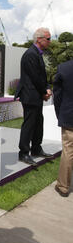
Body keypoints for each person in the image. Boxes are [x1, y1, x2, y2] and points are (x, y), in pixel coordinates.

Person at [15, 28, 53, 166]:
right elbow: (35, 77)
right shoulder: (30, 54)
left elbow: (41, 75)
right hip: (30, 95)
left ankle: (36, 148)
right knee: (29, 124)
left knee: (38, 123)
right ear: (39, 39)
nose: (50, 41)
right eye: (48, 39)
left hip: (35, 95)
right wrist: (45, 91)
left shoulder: (37, 53)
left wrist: (47, 88)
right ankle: (24, 153)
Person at [53, 59, 73, 197]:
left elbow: (57, 95)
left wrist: (60, 114)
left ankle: (63, 186)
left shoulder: (64, 68)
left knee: (68, 150)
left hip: (69, 115)